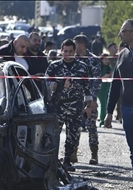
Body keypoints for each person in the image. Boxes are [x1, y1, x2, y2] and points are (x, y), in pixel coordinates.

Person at [45, 39, 93, 172]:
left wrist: (88, 106)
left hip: (76, 105)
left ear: (74, 51)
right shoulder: (54, 66)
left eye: (70, 51)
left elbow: (88, 88)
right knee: (54, 134)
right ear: (61, 51)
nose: (67, 53)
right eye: (65, 51)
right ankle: (52, 160)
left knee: (73, 135)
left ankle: (67, 160)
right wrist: (58, 84)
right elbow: (46, 84)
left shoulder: (82, 67)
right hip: (58, 105)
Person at [105, 18, 133, 190]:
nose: (120, 34)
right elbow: (115, 85)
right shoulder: (122, 55)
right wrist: (109, 111)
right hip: (127, 109)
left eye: (123, 31)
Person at [73, 34, 102, 165]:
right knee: (74, 126)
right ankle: (73, 153)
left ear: (82, 45)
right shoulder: (73, 59)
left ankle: (94, 154)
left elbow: (96, 82)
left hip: (89, 99)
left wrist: (92, 101)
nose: (74, 47)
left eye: (76, 44)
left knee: (91, 126)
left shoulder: (93, 60)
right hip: (75, 99)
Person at [98, 53, 112, 127]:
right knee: (101, 104)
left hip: (107, 88)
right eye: (105, 59)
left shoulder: (109, 68)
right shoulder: (99, 67)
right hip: (99, 88)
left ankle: (105, 121)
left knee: (105, 104)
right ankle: (101, 120)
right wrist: (103, 77)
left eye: (108, 59)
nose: (107, 61)